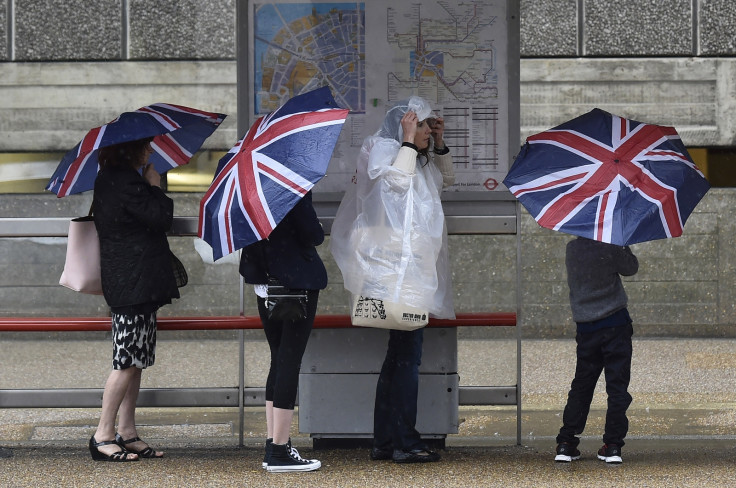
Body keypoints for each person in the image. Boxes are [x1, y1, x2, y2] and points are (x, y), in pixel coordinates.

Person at [330, 96, 455, 463]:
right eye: (423, 127)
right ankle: (405, 441)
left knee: (399, 357)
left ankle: (385, 441)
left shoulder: (419, 160)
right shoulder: (383, 150)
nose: (427, 135)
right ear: (405, 125)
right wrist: (406, 138)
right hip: (390, 276)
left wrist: (438, 141)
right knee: (407, 358)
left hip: (410, 275)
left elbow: (448, 179)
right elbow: (395, 186)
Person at [89, 137, 180, 462]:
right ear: (131, 150)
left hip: (134, 284)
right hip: (132, 284)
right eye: (146, 147)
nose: (150, 152)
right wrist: (154, 185)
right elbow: (160, 218)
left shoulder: (112, 179)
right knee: (126, 362)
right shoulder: (125, 181)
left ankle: (127, 432)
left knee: (136, 361)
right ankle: (102, 435)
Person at [239, 191, 325, 473]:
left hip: (263, 280)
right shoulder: (288, 181)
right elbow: (312, 233)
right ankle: (279, 450)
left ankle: (274, 443)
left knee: (278, 358)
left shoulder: (248, 182)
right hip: (294, 280)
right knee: (289, 360)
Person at [554, 236, 639, 464]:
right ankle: (612, 446)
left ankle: (566, 442)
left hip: (587, 328)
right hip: (616, 325)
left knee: (582, 385)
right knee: (617, 387)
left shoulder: (572, 248)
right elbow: (631, 268)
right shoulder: (611, 246)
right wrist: (623, 243)